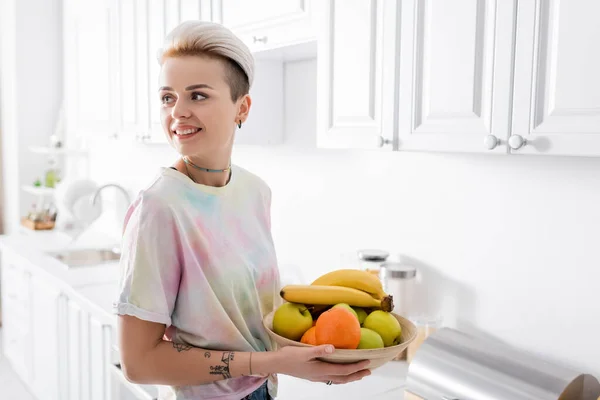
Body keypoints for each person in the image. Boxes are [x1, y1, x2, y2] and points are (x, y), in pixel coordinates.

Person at [113, 20, 371, 400]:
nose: (177, 112)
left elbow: (245, 317)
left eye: (197, 96)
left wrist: (311, 352)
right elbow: (139, 363)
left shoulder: (254, 192)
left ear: (242, 107)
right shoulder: (159, 207)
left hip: (263, 392)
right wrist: (271, 362)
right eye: (168, 97)